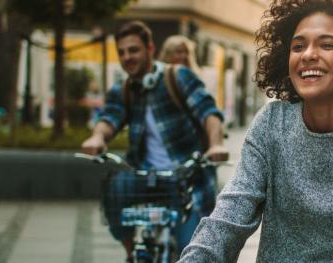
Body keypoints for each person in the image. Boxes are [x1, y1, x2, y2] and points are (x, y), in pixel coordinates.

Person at [179, 0, 333, 261]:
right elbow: (231, 211)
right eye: (298, 46)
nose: (307, 54)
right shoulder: (271, 124)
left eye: (326, 44)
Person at [80, 20, 229, 263]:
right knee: (115, 191)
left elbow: (208, 112)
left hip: (184, 178)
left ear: (150, 49)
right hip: (144, 175)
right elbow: (109, 118)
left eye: (134, 50)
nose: (127, 57)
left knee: (188, 250)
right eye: (122, 52)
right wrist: (97, 137)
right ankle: (132, 254)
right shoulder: (124, 90)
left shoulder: (178, 76)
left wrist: (216, 144)